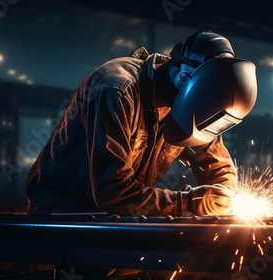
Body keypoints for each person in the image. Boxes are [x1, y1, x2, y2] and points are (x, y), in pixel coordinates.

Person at [25, 30, 257, 218]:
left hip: (120, 215)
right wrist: (188, 202)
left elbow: (218, 167)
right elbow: (112, 191)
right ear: (186, 77)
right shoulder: (116, 90)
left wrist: (225, 195)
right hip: (65, 212)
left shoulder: (198, 105)